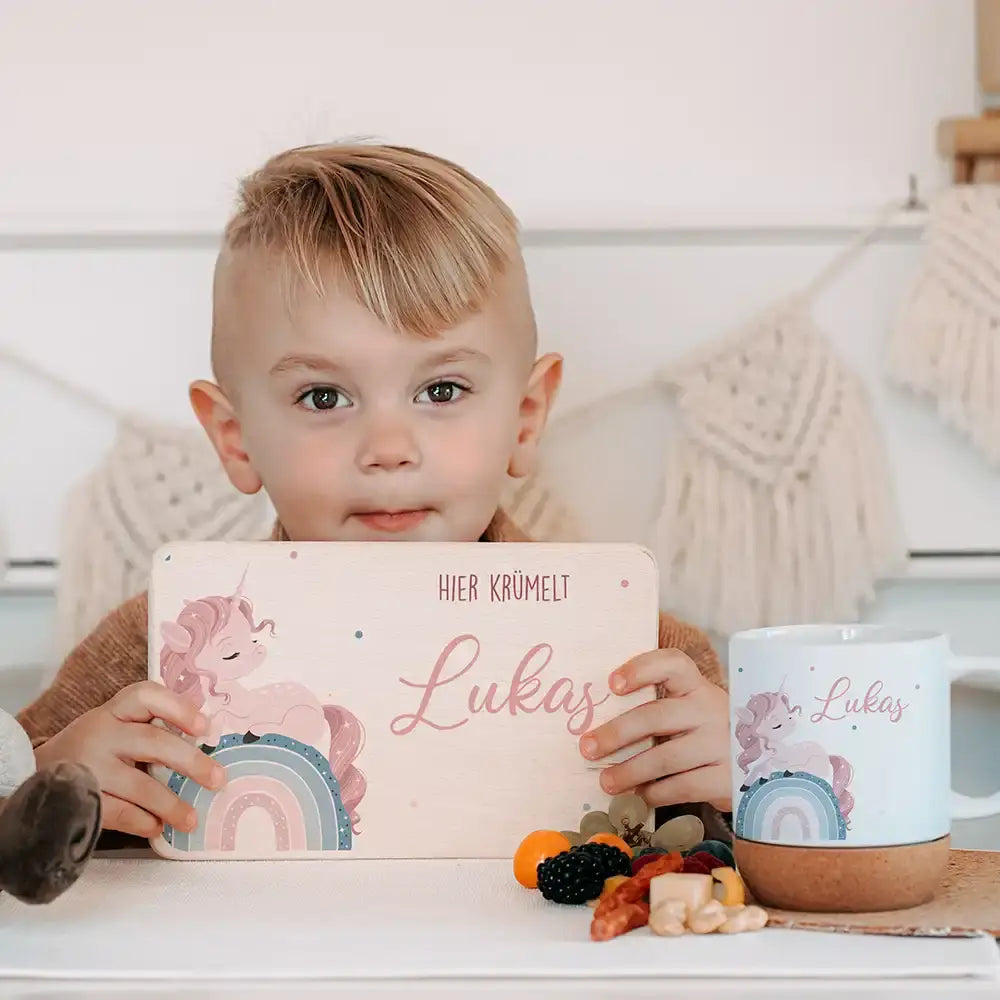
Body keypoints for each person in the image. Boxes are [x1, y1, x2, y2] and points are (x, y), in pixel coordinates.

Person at [17, 142, 732, 844]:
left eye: (442, 389)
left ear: (524, 417)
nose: (389, 448)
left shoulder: (641, 653)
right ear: (236, 440)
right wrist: (45, 780)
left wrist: (746, 781)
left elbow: (752, 874)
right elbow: (21, 824)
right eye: (324, 396)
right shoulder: (157, 647)